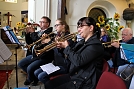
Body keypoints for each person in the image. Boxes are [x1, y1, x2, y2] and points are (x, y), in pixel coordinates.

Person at [45, 17, 104, 89]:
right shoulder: (82, 42)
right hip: (76, 75)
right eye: (78, 27)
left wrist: (67, 47)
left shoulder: (95, 45)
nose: (79, 29)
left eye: (81, 26)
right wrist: (61, 48)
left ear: (91, 28)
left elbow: (78, 61)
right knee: (48, 84)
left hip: (85, 81)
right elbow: (71, 56)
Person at [34, 18, 73, 86]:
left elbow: (61, 54)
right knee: (36, 72)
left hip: (64, 65)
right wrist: (45, 40)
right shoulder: (57, 36)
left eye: (57, 25)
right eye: (55, 25)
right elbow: (50, 48)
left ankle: (52, 86)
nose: (55, 27)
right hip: (55, 63)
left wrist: (49, 42)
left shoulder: (68, 38)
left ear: (63, 26)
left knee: (41, 76)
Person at [18, 16, 54, 86]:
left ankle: (30, 78)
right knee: (20, 64)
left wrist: (33, 32)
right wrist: (28, 33)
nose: (40, 23)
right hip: (35, 55)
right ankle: (34, 78)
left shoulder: (49, 33)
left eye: (43, 22)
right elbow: (30, 43)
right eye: (40, 22)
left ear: (48, 24)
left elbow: (38, 42)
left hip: (44, 57)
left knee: (29, 67)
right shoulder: (39, 32)